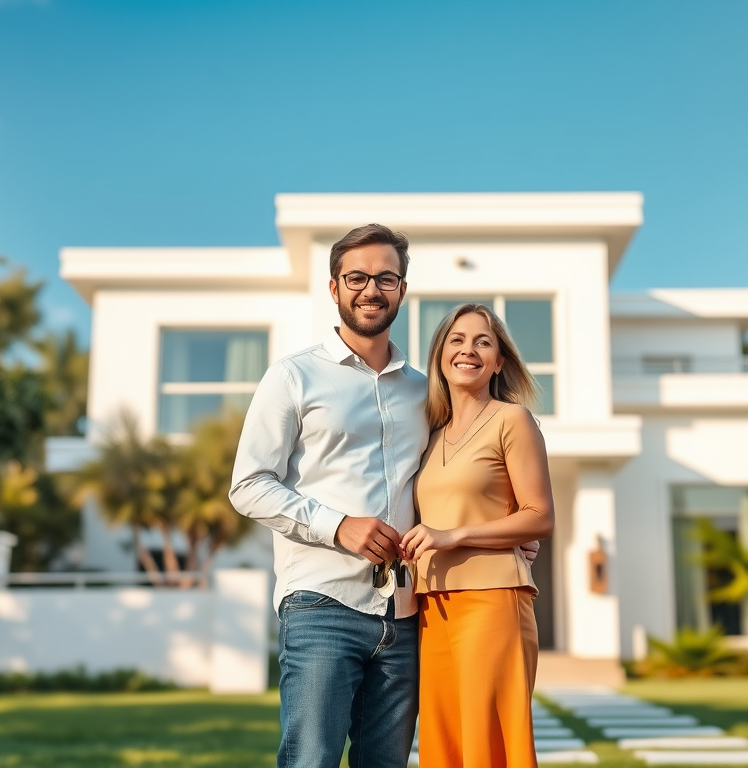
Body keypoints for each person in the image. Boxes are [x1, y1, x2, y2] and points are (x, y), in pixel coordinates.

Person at [229, 223, 427, 768]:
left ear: (403, 290)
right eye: (357, 277)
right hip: (321, 605)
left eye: (385, 278)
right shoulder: (292, 377)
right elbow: (248, 485)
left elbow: (456, 470)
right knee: (310, 760)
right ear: (335, 288)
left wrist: (508, 531)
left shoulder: (425, 390)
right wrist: (338, 525)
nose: (371, 289)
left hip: (407, 612)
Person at [401, 303, 555, 768]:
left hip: (493, 599)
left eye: (482, 342)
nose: (468, 350)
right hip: (432, 607)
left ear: (498, 361)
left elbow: (539, 516)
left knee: (487, 745)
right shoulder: (429, 433)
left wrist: (455, 535)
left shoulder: (513, 420)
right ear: (440, 355)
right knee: (442, 746)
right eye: (457, 340)